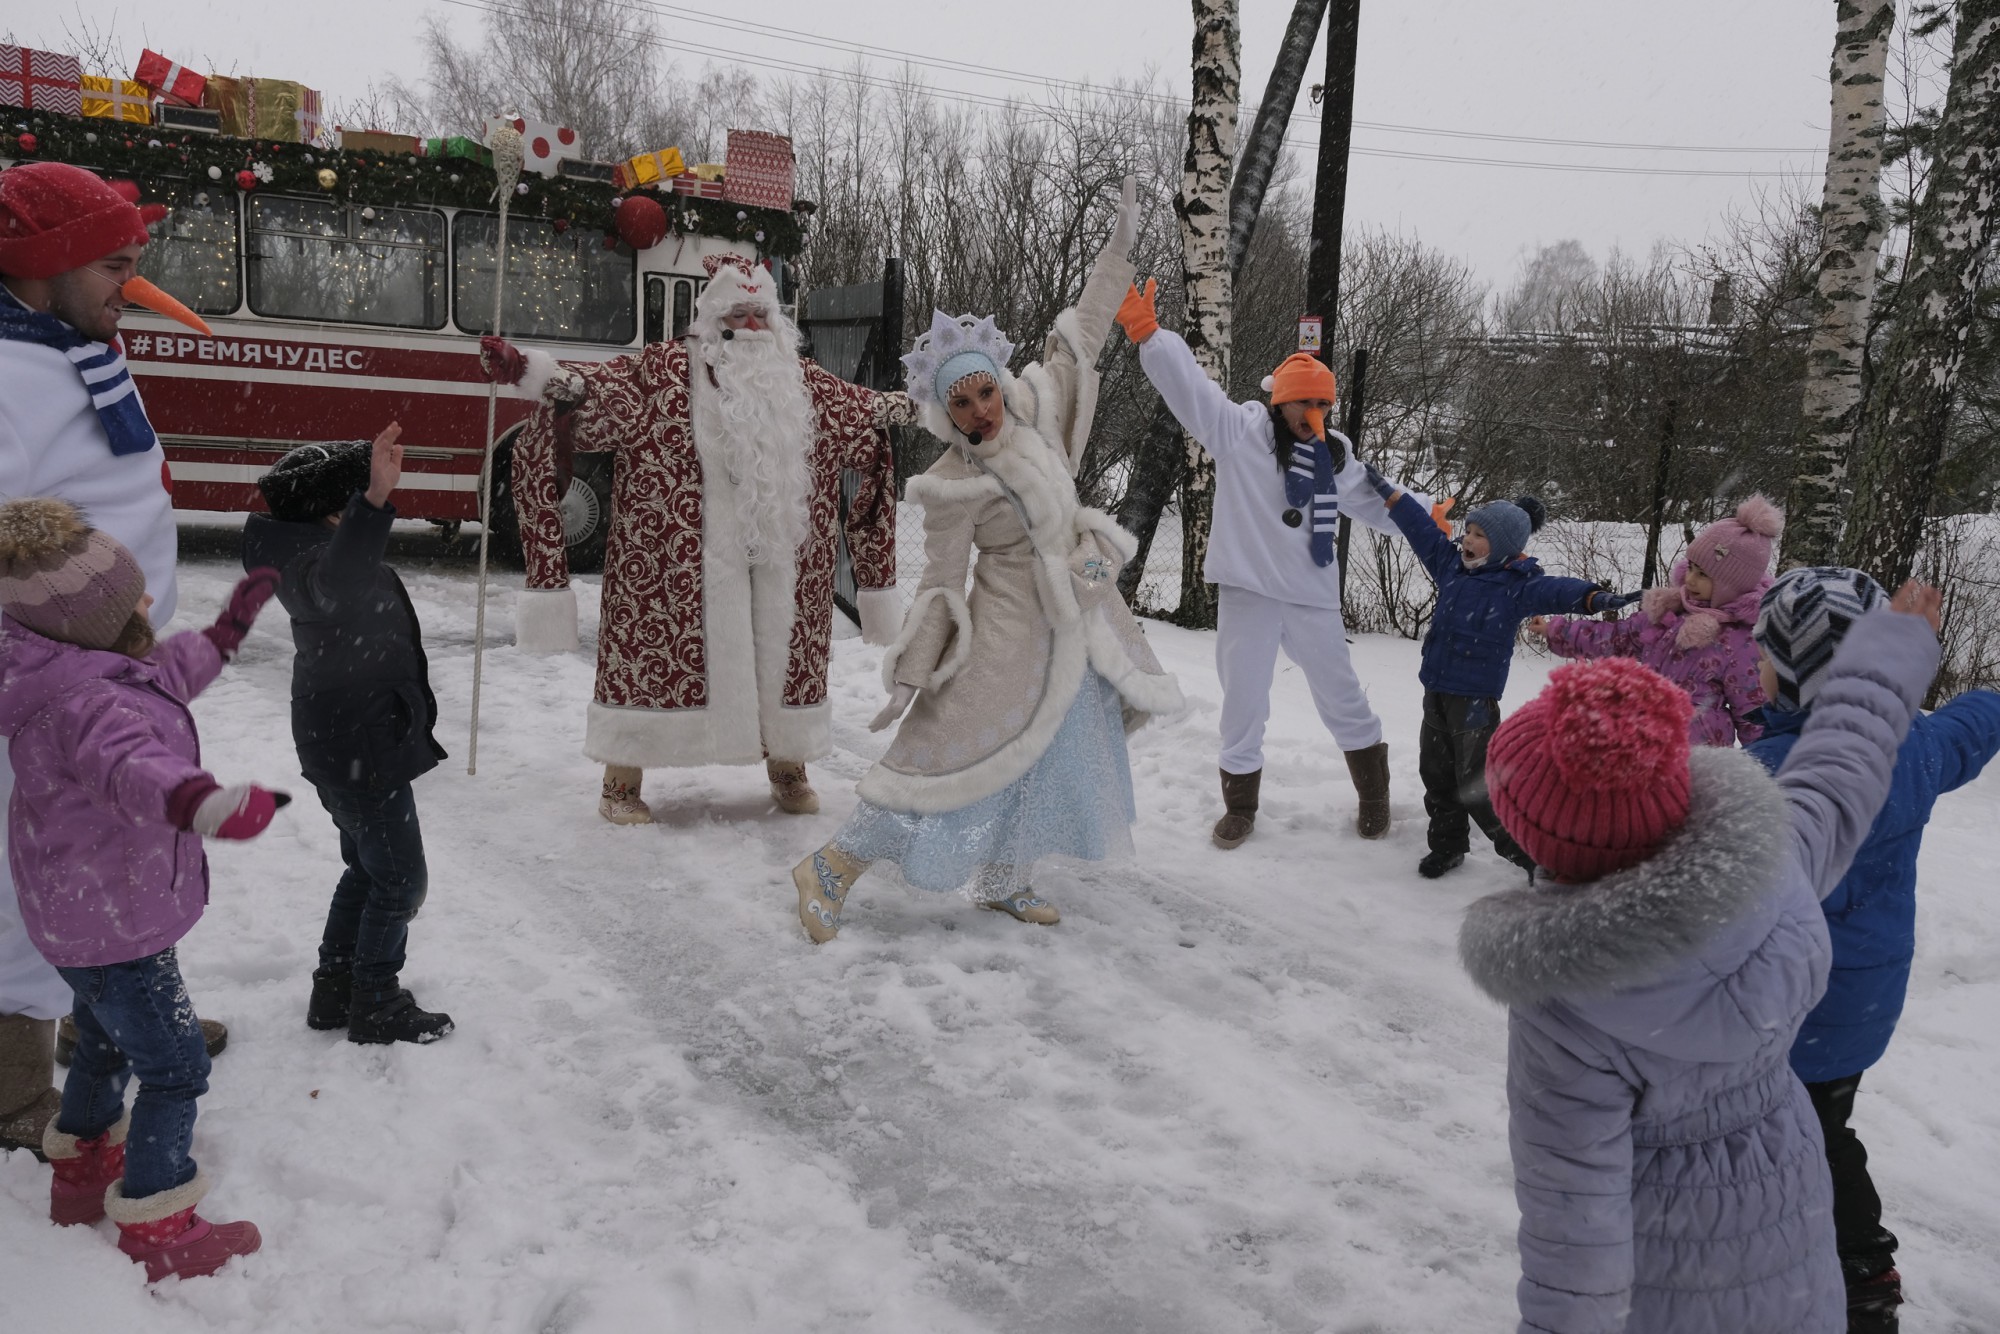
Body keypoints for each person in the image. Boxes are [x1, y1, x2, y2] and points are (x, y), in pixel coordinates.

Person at [1458, 581, 1944, 1333]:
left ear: (1535, 837)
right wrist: (1895, 647)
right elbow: (1845, 758)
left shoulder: (1564, 1004)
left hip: (1671, 1275)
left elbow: (1571, 1238)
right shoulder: (1767, 864)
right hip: (1792, 1216)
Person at [788, 177, 1182, 942]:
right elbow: (939, 587)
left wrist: (1120, 245)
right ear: (943, 410)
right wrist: (912, 673)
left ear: (1000, 383)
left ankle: (1005, 877)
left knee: (1054, 757)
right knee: (941, 756)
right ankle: (831, 866)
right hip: (1004, 639)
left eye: (984, 393)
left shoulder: (1041, 409)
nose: (979, 411)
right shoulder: (947, 486)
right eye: (959, 403)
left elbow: (1085, 329)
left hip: (1078, 619)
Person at [479, 255, 915, 825]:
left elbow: (864, 412)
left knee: (789, 657)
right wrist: (534, 372)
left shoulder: (803, 384)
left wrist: (922, 402)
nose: (753, 327)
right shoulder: (661, 373)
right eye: (740, 315)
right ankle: (622, 776)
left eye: (762, 316)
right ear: (712, 320)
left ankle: (787, 763)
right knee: (651, 651)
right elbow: (594, 393)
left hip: (781, 558)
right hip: (673, 556)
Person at [0, 161, 226, 1158]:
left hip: (110, 682)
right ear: (39, 270)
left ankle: (119, 1018)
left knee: (110, 854)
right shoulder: (5, 378)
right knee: (32, 874)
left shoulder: (65, 344)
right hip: (47, 693)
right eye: (113, 265)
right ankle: (15, 1088)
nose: (131, 285)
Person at [0, 498, 279, 1280]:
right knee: (177, 1066)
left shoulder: (79, 664)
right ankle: (161, 1228)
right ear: (88, 622)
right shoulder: (89, 703)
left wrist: (228, 629)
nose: (147, 602)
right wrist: (205, 804)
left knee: (102, 1041)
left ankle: (81, 1173)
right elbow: (132, 770)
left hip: (78, 914)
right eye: (129, 601)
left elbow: (169, 669)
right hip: (115, 923)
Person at [1745, 566, 2000, 1331]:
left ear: (1792, 670)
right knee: (1823, 1124)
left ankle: (1849, 1269)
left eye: (1765, 651)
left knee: (1793, 1136)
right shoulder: (1914, 749)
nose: (1755, 662)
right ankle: (1845, 1259)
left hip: (1789, 1006)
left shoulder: (1770, 779)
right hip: (1862, 1002)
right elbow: (1974, 723)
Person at [1118, 282, 1401, 847]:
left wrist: (1434, 525)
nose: (1316, 414)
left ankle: (1374, 794)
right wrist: (1151, 337)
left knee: (1339, 691)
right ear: (1282, 401)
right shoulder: (1239, 432)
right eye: (1307, 403)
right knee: (1244, 699)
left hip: (1309, 593)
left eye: (1325, 404)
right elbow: (1191, 391)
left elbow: (1377, 500)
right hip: (1249, 590)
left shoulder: (1333, 454)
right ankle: (1240, 805)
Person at [242, 424, 454, 1044]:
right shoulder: (316, 566)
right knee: (399, 879)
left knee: (367, 866)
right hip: (360, 742)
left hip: (344, 735)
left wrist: (367, 496)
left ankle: (335, 990)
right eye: (356, 502)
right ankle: (375, 1002)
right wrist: (376, 500)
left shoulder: (297, 550)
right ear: (336, 515)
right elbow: (341, 575)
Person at [1362, 467, 1635, 878]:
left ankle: (1530, 857)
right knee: (1435, 774)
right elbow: (1423, 532)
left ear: (1504, 547)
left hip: (1475, 700)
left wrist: (1594, 598)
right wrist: (1393, 496)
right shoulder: (1451, 568)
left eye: (1479, 535)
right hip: (1435, 690)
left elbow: (1559, 590)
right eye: (1468, 531)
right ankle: (1448, 846)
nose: (1467, 540)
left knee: (1479, 787)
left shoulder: (1516, 586)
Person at [1532, 494, 1781, 747]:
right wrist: (1559, 630)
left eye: (1703, 574)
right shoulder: (1668, 614)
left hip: (1699, 757)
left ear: (1733, 585)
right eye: (1692, 567)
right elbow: (1614, 637)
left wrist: (1767, 766)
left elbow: (1754, 715)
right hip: (1642, 740)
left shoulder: (1740, 641)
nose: (1691, 580)